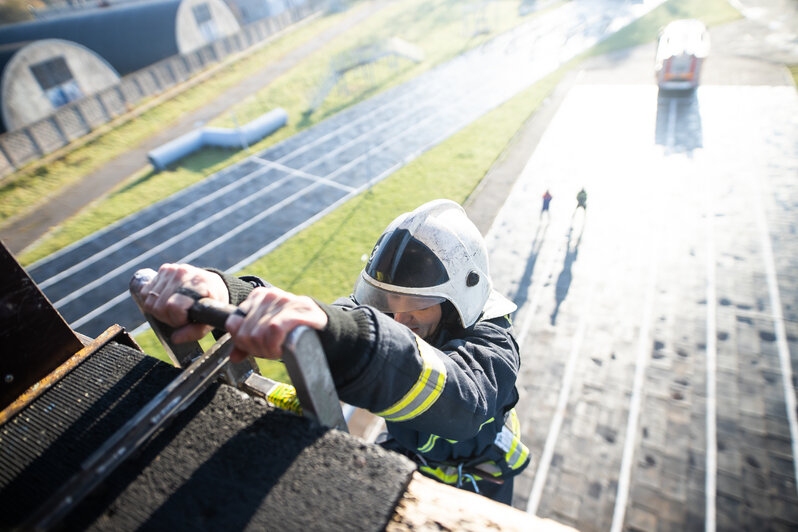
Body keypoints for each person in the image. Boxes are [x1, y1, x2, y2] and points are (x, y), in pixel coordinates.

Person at [138, 199, 529, 504]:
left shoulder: (494, 344)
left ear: (459, 300)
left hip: (479, 482)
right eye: (390, 301)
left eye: (419, 305)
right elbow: (323, 318)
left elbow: (464, 401)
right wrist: (230, 294)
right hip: (410, 454)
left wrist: (349, 339)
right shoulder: (392, 312)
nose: (399, 317)